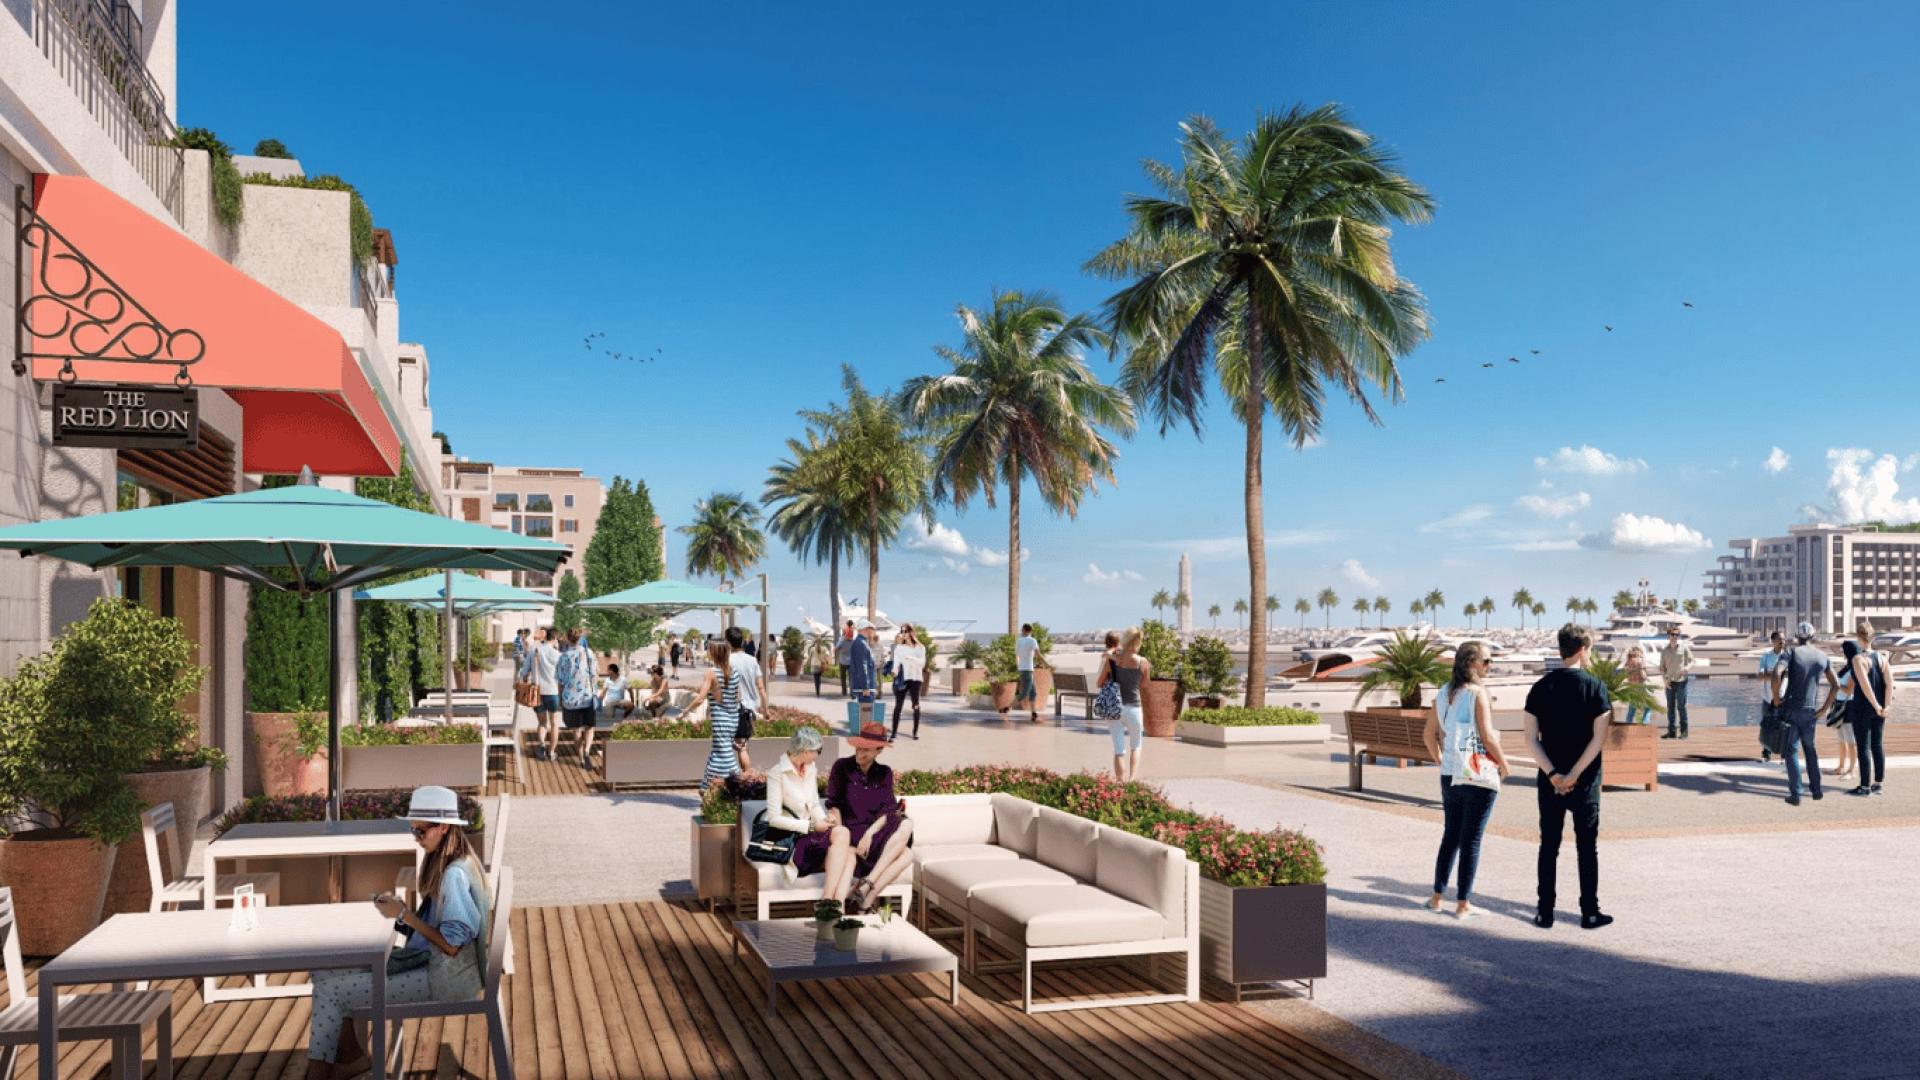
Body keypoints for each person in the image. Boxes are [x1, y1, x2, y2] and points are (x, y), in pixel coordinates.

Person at [306, 786, 489, 1079]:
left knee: (330, 989)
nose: (415, 839)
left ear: (443, 827)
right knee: (324, 970)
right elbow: (439, 931)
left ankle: (319, 1071)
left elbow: (452, 945)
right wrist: (402, 917)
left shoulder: (454, 875)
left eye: (421, 832)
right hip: (431, 965)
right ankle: (351, 1056)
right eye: (413, 831)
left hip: (444, 980)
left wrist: (404, 915)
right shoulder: (453, 861)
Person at [1523, 624, 1613, 930]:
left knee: (1549, 845)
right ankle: (1589, 912)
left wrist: (1552, 773)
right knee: (1587, 846)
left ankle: (1544, 911)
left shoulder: (1540, 687)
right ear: (1583, 649)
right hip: (1585, 782)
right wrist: (1574, 774)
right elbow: (1598, 739)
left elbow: (1531, 739)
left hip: (1549, 781)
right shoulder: (1596, 687)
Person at [1423, 640, 1509, 919]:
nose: (1489, 666)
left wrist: (1442, 760)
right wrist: (1504, 763)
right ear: (1472, 663)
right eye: (1486, 661)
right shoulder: (1476, 693)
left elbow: (1428, 735)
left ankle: (1437, 897)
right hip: (1476, 775)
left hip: (1450, 774)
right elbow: (1486, 736)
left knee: (1450, 836)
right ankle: (1462, 904)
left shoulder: (1443, 692)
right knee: (1471, 840)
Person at [826, 721, 915, 913]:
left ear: (879, 750)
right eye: (858, 747)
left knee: (907, 826)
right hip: (852, 836)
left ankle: (866, 893)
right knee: (907, 854)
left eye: (866, 749)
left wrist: (870, 833)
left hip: (873, 836)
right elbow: (834, 805)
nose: (860, 752)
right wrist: (843, 840)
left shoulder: (885, 773)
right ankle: (864, 904)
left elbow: (889, 811)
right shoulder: (841, 767)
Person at [765, 727, 860, 902]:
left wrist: (825, 819)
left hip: (812, 838)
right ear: (805, 751)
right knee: (847, 850)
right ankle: (829, 903)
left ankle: (831, 903)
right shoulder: (777, 774)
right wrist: (811, 826)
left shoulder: (810, 769)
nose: (818, 754)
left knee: (845, 842)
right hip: (791, 843)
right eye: (818, 750)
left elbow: (814, 804)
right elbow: (774, 819)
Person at [1771, 621, 1837, 806]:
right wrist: (1824, 709)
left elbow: (1777, 673)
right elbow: (1836, 685)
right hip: (1810, 712)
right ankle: (1816, 790)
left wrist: (1776, 698)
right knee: (1810, 749)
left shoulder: (1791, 652)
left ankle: (1796, 794)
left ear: (1797, 637)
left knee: (1791, 750)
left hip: (1791, 708)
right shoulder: (1822, 656)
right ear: (1813, 636)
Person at [1098, 627, 1150, 780]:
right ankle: (1131, 780)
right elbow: (1145, 685)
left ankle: (1120, 782)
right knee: (1136, 746)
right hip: (1134, 708)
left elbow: (1100, 682)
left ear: (1125, 640)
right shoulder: (1143, 662)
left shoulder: (1114, 659)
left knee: (1119, 750)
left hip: (1115, 708)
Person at [1847, 620, 1891, 797]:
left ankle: (1865, 786)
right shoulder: (1882, 658)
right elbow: (1889, 684)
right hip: (1880, 710)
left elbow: (1865, 687)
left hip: (1863, 708)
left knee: (1863, 746)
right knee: (1877, 745)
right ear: (1872, 637)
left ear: (1858, 637)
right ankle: (1878, 784)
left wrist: (1876, 705)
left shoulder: (1858, 659)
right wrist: (1886, 706)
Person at [695, 640, 740, 789]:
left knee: (724, 755)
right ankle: (706, 786)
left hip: (720, 719)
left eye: (709, 649)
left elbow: (700, 697)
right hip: (732, 718)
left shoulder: (711, 673)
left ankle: (737, 781)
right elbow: (738, 697)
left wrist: (685, 712)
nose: (707, 652)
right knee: (718, 752)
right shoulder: (734, 672)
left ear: (715, 653)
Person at [726, 626, 768, 776]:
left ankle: (747, 778)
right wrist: (766, 710)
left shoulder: (727, 661)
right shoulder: (752, 660)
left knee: (739, 747)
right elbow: (761, 688)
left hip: (736, 709)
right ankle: (746, 778)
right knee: (743, 745)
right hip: (751, 709)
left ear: (728, 642)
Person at [555, 632, 598, 768]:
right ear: (580, 639)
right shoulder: (589, 653)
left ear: (568, 639)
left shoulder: (564, 656)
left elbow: (560, 681)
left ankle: (581, 759)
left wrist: (561, 699)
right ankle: (586, 751)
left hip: (570, 699)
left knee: (577, 730)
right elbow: (595, 674)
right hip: (587, 696)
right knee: (590, 727)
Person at [888, 624, 927, 740]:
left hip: (916, 679)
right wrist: (894, 672)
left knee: (916, 705)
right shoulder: (899, 648)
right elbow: (896, 663)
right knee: (898, 706)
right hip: (903, 679)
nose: (903, 634)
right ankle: (893, 733)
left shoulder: (920, 647)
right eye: (902, 631)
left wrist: (912, 659)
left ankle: (915, 732)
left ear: (911, 632)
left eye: (906, 631)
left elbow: (922, 663)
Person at [1828, 639, 1860, 782]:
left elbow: (1849, 690)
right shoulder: (1846, 667)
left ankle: (1852, 769)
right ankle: (1841, 766)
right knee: (1841, 739)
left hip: (1849, 706)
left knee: (1851, 740)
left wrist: (1835, 684)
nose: (1842, 653)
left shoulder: (1854, 668)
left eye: (1843, 650)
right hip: (1839, 704)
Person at [529, 626, 562, 762]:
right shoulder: (557, 655)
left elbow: (524, 670)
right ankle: (552, 752)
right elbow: (562, 674)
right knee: (554, 723)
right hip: (552, 692)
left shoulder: (534, 650)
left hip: (537, 692)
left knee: (542, 723)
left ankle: (542, 745)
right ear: (554, 638)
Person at [1756, 630, 1787, 762]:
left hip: (1783, 697)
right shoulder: (1766, 657)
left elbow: (1788, 675)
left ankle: (1784, 755)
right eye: (1780, 639)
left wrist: (1771, 674)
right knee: (1767, 725)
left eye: (1784, 639)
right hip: (1767, 697)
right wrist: (1777, 675)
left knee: (1784, 726)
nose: (1782, 642)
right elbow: (1760, 676)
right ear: (1773, 641)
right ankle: (1766, 753)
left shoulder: (1787, 656)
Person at [1658, 627, 1694, 739]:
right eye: (1672, 634)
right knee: (1670, 707)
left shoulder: (1684, 649)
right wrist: (1664, 681)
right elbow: (1662, 668)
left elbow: (1692, 661)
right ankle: (1671, 732)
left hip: (1681, 681)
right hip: (1669, 682)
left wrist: (1687, 668)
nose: (1674, 637)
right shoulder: (1664, 651)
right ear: (1668, 636)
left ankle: (1684, 732)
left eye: (1676, 635)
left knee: (1681, 706)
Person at [1010, 622, 1043, 723]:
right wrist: (1048, 665)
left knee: (1033, 693)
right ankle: (1006, 707)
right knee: (1025, 693)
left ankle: (1034, 715)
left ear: (1024, 630)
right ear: (1030, 631)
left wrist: (1018, 666)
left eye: (1021, 629)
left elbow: (1016, 655)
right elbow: (1038, 655)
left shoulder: (1019, 641)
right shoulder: (1032, 641)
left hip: (1024, 669)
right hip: (1028, 669)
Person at [849, 618, 879, 706]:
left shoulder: (861, 642)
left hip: (865, 687)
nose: (872, 632)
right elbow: (862, 666)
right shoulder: (861, 643)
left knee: (866, 715)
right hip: (865, 688)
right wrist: (865, 687)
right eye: (871, 629)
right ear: (865, 629)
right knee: (866, 715)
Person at [1622, 646, 1653, 724]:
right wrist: (1646, 677)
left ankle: (1628, 725)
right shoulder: (1640, 661)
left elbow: (1625, 674)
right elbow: (1643, 675)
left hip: (1632, 687)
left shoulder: (1627, 662)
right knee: (1648, 707)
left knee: (1631, 709)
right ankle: (1644, 724)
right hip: (1641, 687)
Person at [835, 620, 856, 697]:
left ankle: (844, 692)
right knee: (851, 678)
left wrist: (840, 650)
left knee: (843, 678)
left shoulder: (842, 639)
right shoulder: (853, 639)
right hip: (851, 662)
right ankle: (852, 692)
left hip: (842, 661)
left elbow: (835, 649)